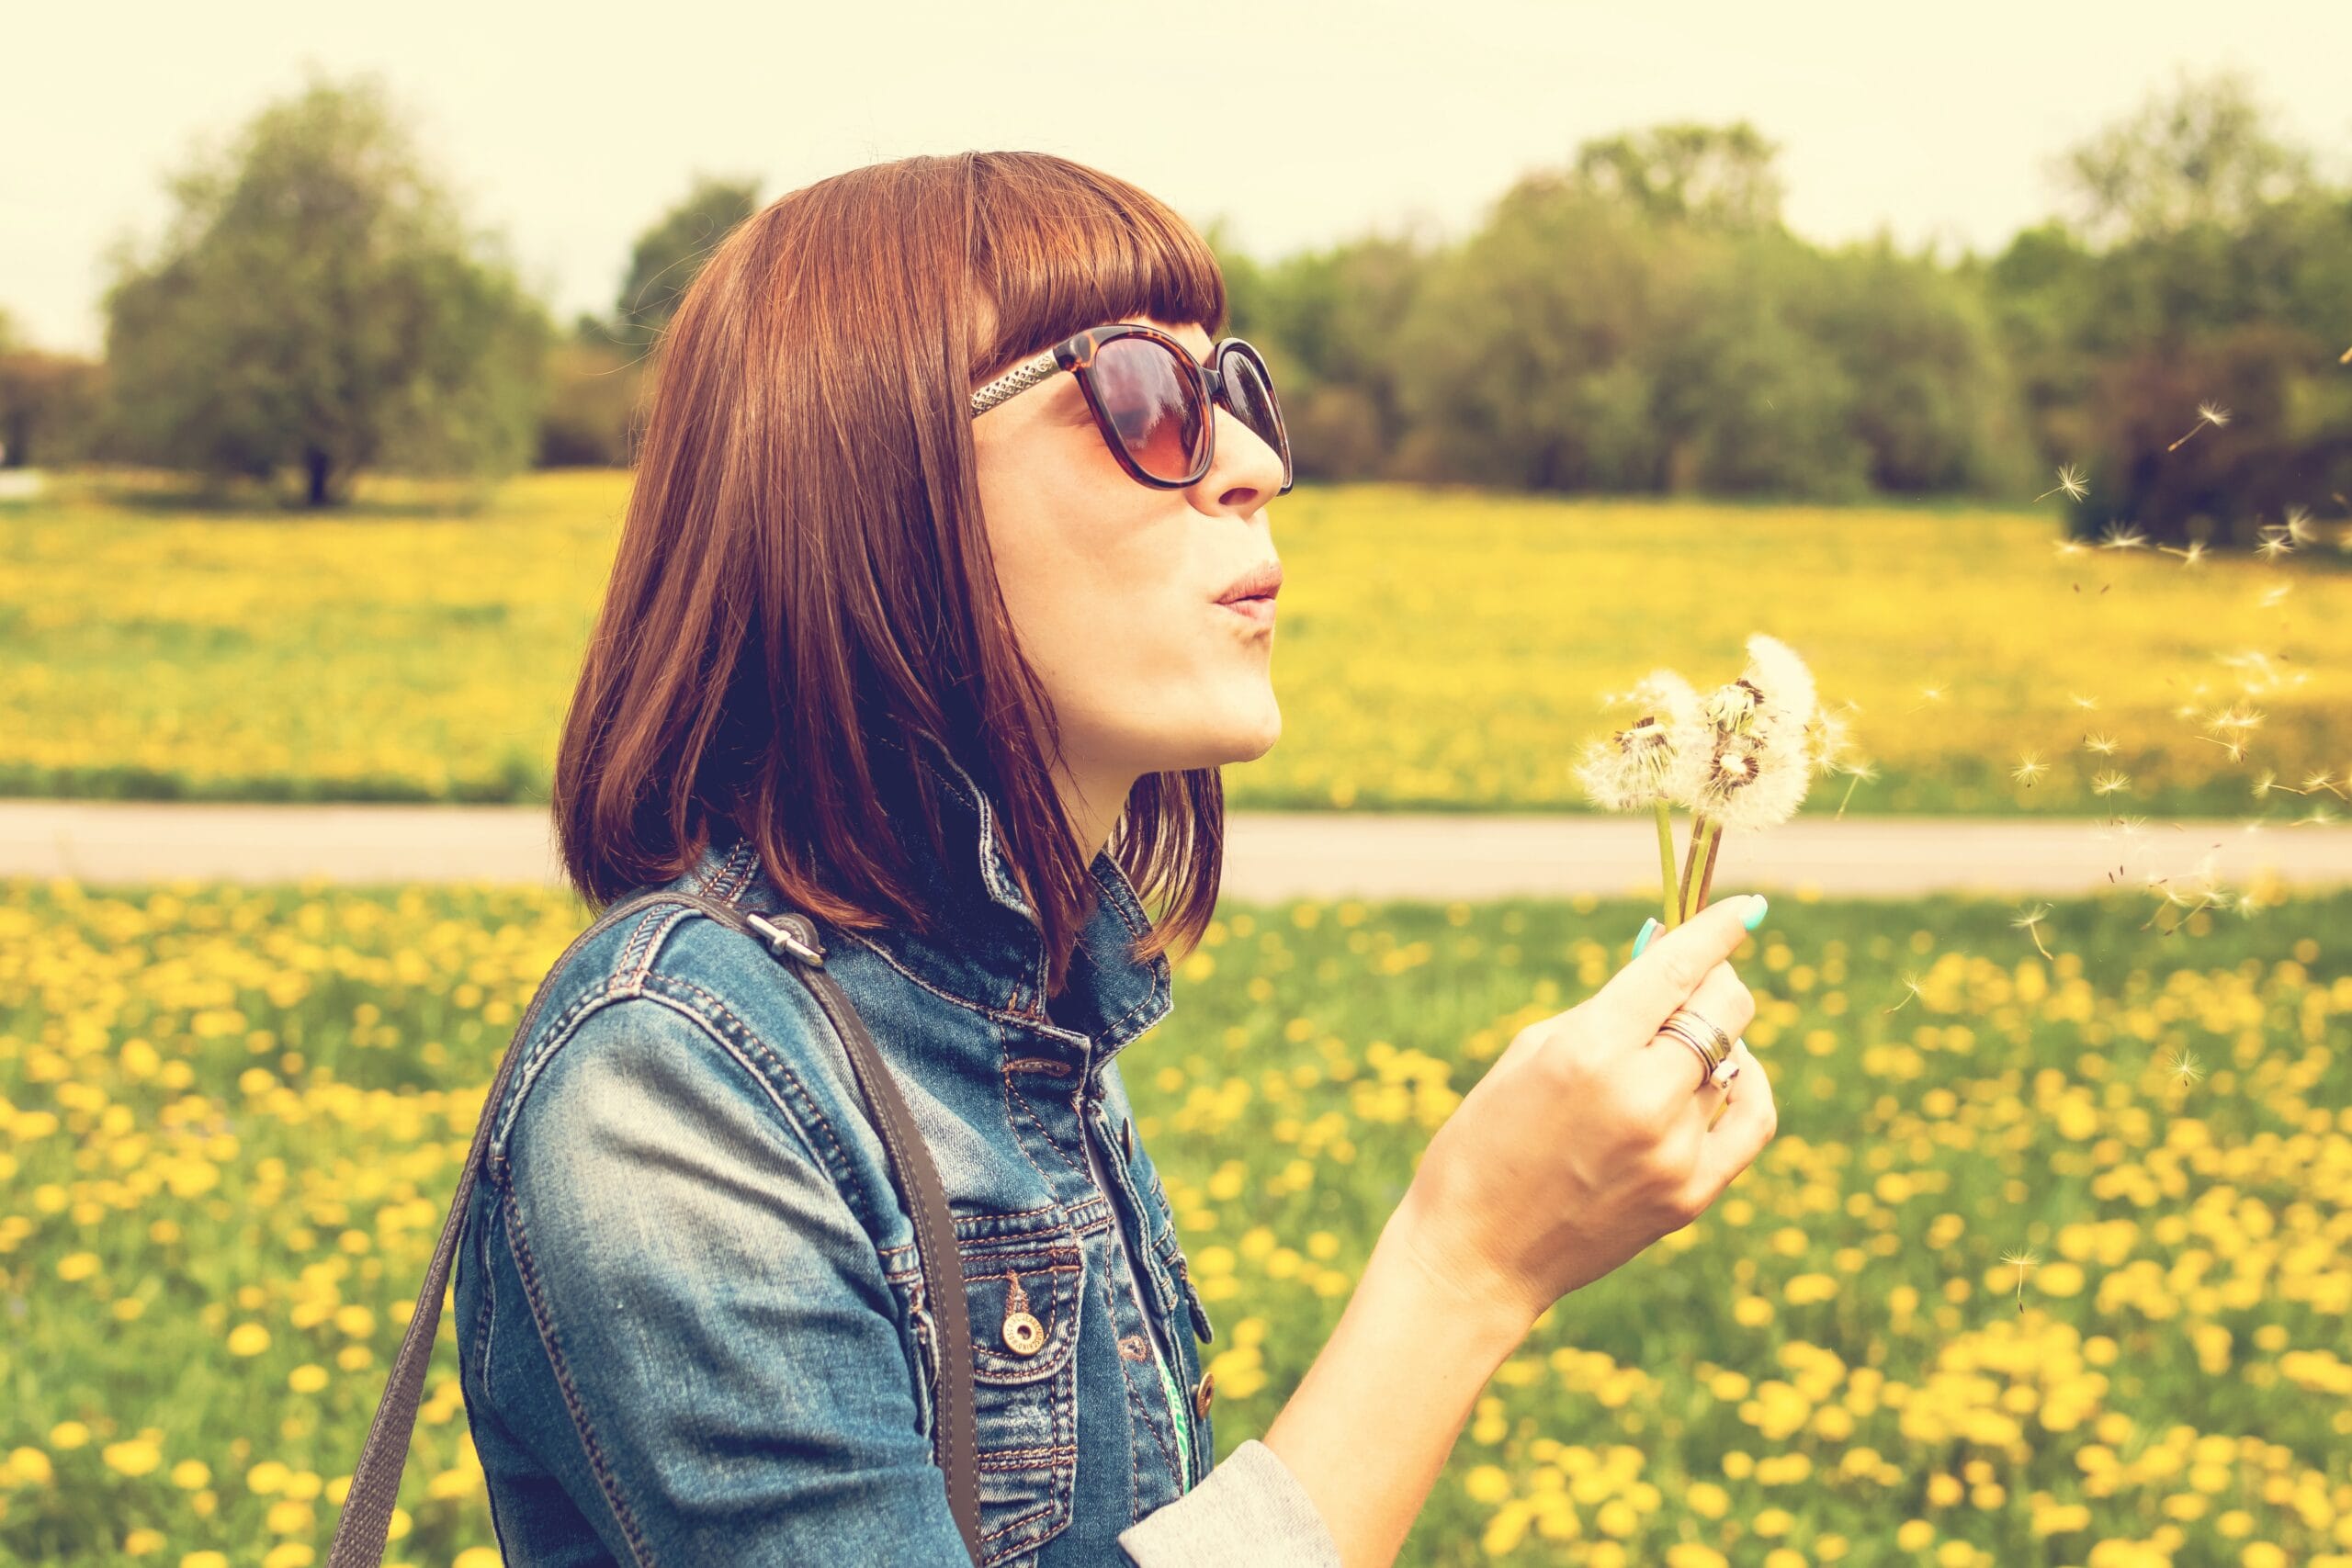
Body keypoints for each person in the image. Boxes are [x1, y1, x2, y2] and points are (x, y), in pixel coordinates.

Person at [451, 149, 1777, 1568]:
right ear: (869, 488)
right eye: (1145, 395)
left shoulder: (1012, 1007)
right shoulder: (676, 1080)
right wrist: (1464, 1270)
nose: (1257, 464)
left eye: (1239, 395)